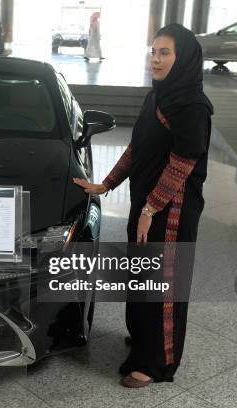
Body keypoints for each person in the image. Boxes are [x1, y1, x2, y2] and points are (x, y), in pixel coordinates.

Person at [73, 24, 214, 388]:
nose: (156, 58)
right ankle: (143, 340)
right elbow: (138, 149)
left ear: (183, 59)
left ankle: (157, 364)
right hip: (147, 202)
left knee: (162, 284)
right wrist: (107, 184)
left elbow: (183, 163)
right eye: (153, 51)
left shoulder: (193, 106)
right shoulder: (156, 97)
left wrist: (151, 209)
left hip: (172, 211)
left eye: (165, 52)